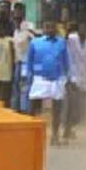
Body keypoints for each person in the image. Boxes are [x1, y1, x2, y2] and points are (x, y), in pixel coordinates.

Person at [27, 15, 69, 146]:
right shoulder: (35, 42)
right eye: (47, 26)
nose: (49, 29)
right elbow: (29, 61)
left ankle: (55, 135)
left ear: (56, 28)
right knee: (34, 107)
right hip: (39, 78)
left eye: (52, 27)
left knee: (57, 108)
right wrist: (29, 78)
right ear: (43, 28)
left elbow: (66, 61)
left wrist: (66, 77)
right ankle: (32, 134)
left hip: (56, 79)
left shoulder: (61, 42)